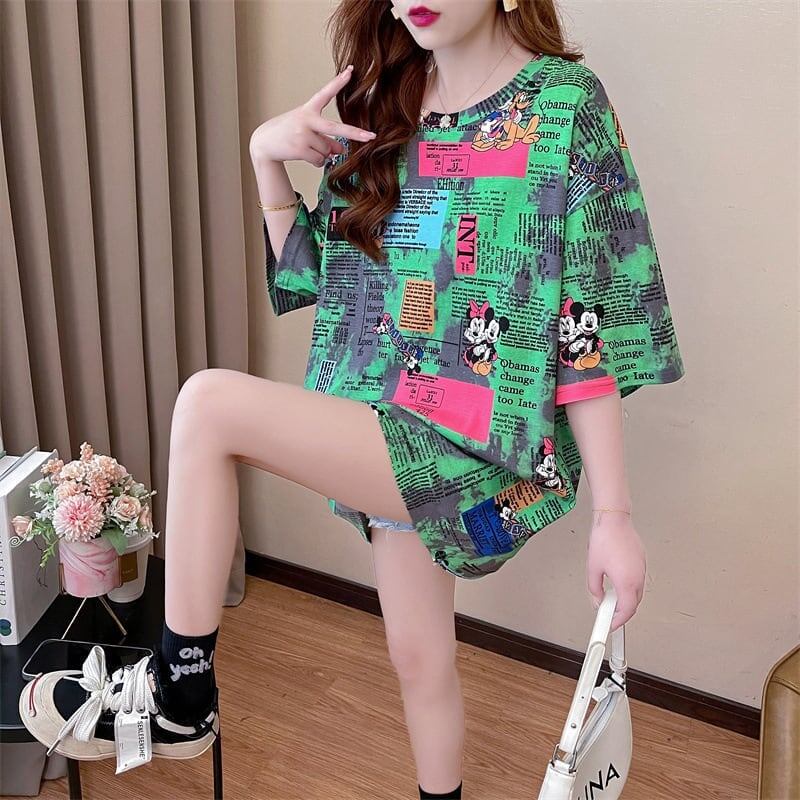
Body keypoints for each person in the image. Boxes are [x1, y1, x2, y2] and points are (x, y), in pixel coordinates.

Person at [19, 1, 685, 798]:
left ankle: (182, 694)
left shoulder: (564, 105)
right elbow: (316, 274)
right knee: (419, 659)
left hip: (473, 446)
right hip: (382, 421)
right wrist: (266, 157)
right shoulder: (386, 100)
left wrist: (614, 516)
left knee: (207, 406)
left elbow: (589, 327)